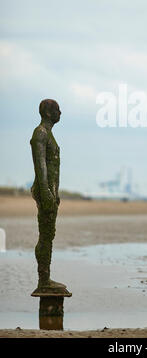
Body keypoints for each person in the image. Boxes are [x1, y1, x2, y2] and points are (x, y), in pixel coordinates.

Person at [30, 99, 67, 292]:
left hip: (50, 192)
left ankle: (46, 278)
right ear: (48, 113)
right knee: (45, 235)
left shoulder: (48, 134)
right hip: (45, 192)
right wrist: (45, 192)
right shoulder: (41, 134)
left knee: (48, 235)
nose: (61, 112)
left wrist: (55, 193)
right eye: (57, 110)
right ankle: (43, 281)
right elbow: (41, 166)